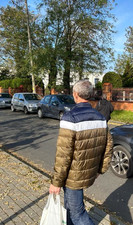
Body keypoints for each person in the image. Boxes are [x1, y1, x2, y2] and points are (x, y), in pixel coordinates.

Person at [49, 80, 113, 225]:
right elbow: (108, 147)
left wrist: (56, 182)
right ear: (90, 95)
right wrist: (100, 170)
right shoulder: (101, 118)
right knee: (70, 210)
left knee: (77, 214)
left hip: (73, 176)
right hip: (89, 172)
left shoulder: (70, 118)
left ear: (75, 95)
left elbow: (63, 155)